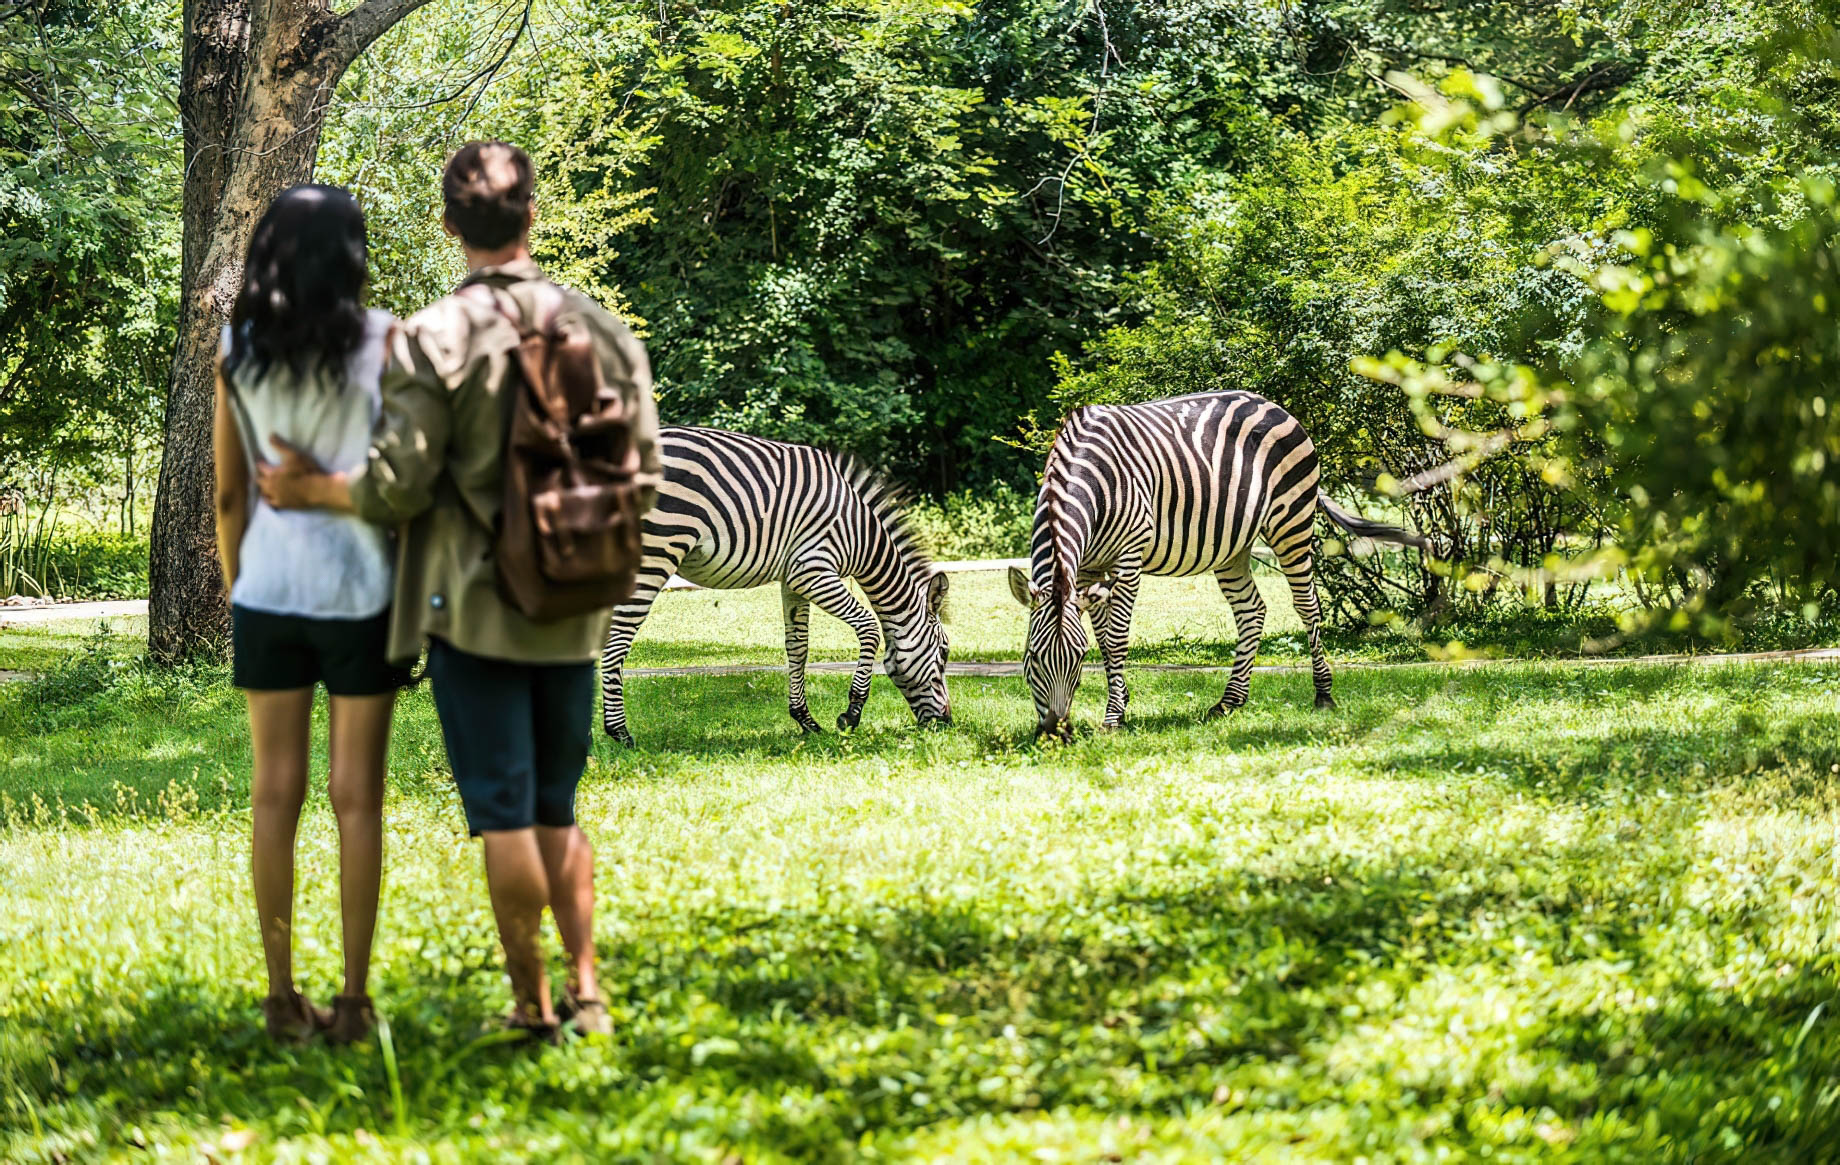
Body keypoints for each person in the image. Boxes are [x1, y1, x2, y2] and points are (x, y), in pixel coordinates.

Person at [258, 142, 661, 1040]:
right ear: (533, 219)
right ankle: (589, 990)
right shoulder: (601, 326)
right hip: (575, 606)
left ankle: (532, 1004)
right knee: (559, 805)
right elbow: (644, 471)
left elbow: (395, 485)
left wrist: (313, 489)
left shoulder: (434, 336)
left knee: (505, 813)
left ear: (450, 226)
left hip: (474, 609)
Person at [212, 184, 404, 1044]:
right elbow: (401, 478)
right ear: (351, 256)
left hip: (269, 591)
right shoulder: (384, 340)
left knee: (273, 797)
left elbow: (227, 494)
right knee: (357, 799)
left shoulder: (238, 349)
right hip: (361, 594)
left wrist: (238, 583)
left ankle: (282, 996)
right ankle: (355, 1001)